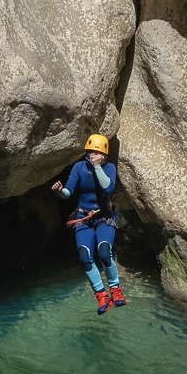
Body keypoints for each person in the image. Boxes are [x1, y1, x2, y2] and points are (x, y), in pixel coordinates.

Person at [52, 133, 127, 315]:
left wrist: (97, 168)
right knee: (85, 256)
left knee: (103, 252)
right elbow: (69, 192)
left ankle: (115, 290)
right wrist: (60, 192)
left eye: (97, 152)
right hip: (83, 217)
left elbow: (107, 187)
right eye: (91, 152)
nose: (93, 155)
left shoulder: (109, 168)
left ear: (103, 155)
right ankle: (102, 295)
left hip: (103, 217)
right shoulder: (79, 167)